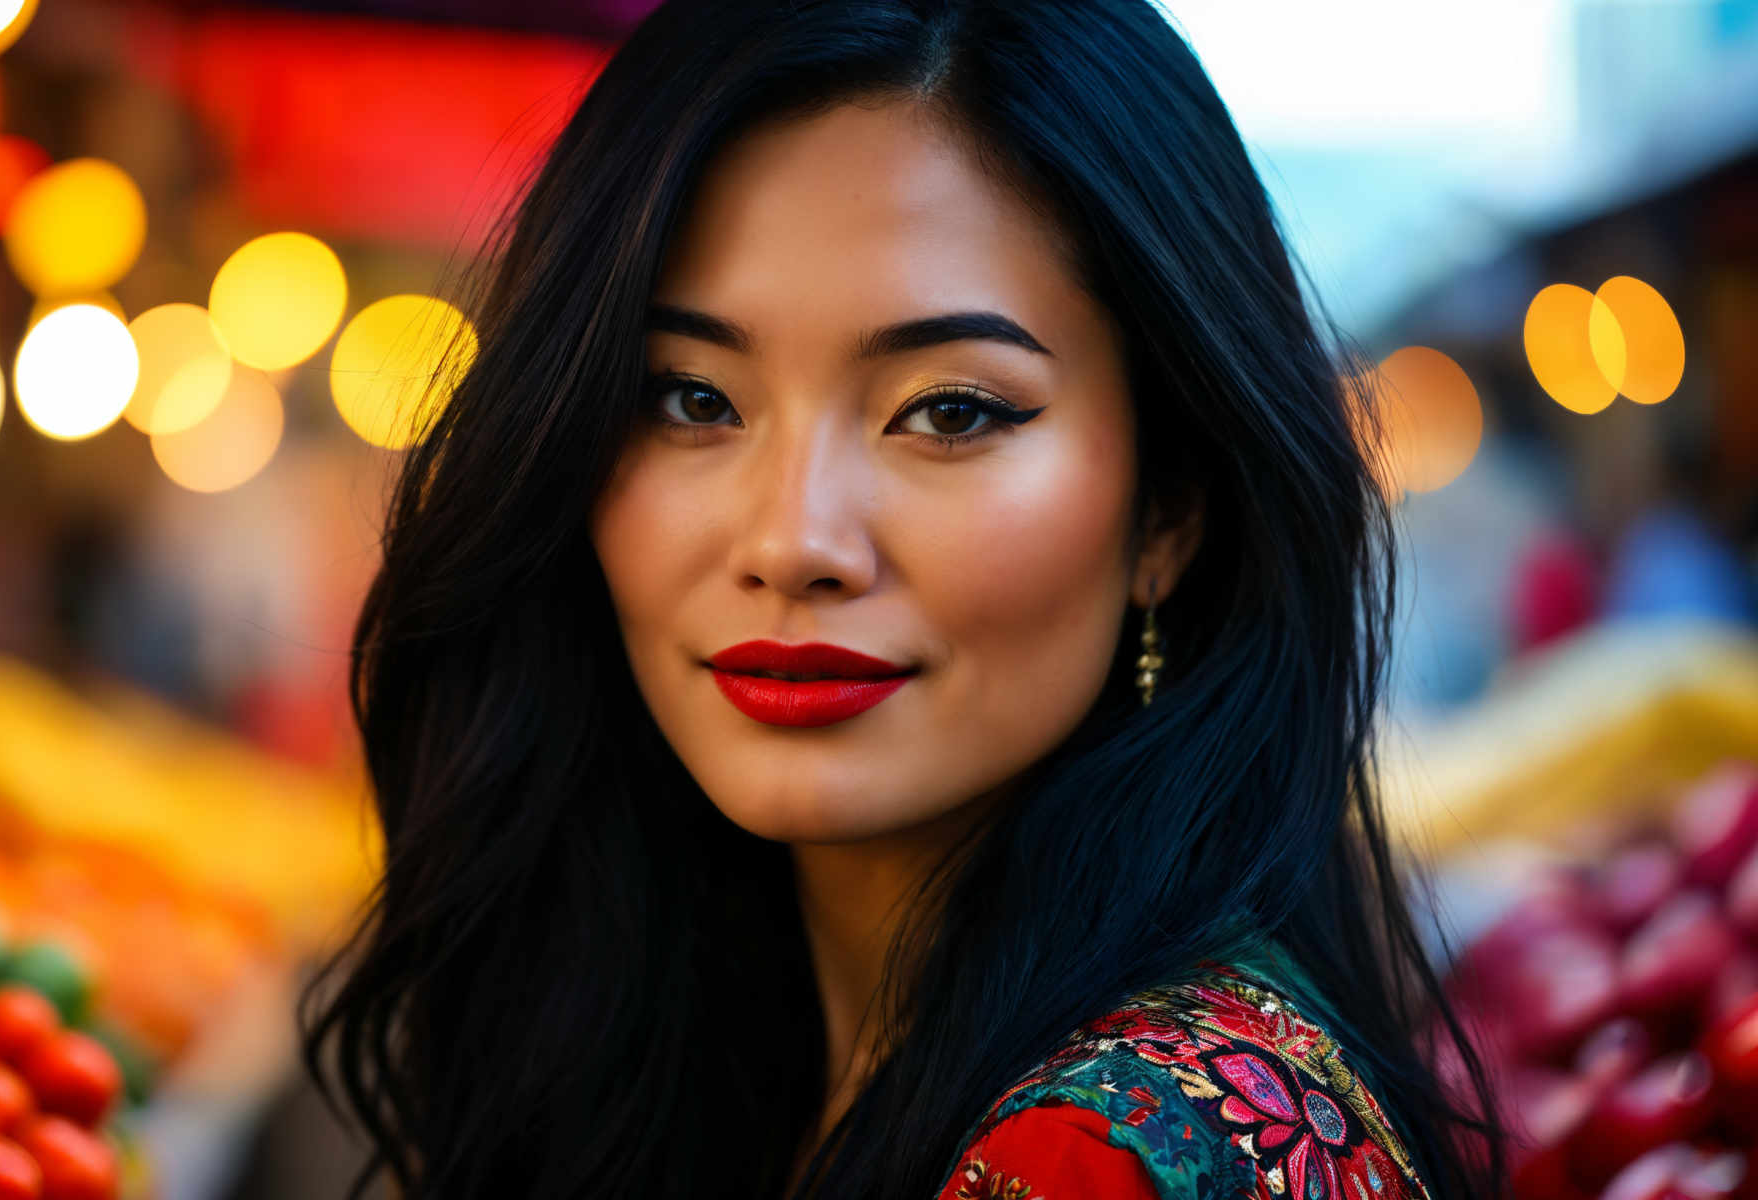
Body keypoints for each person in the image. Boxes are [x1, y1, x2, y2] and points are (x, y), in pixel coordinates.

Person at [300, 2, 1510, 1197]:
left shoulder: (1095, 1162)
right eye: (689, 399)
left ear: (1169, 511)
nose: (793, 541)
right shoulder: (692, 1056)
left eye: (949, 410)